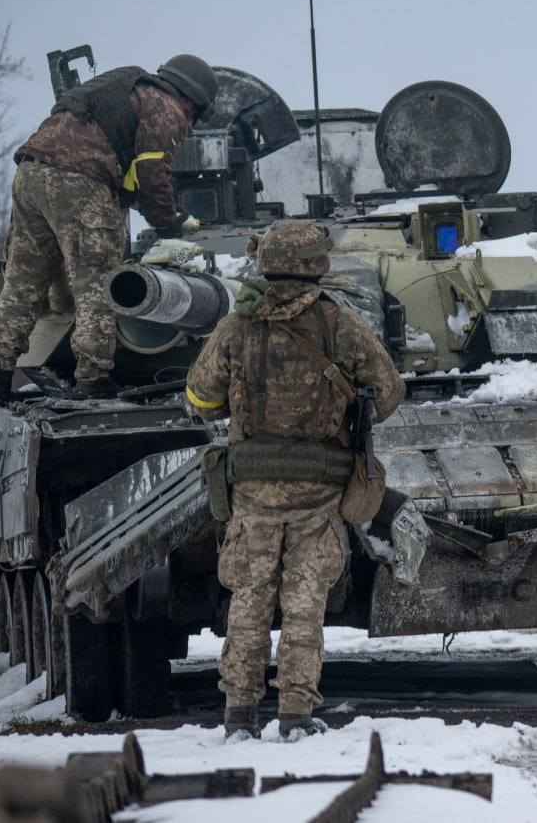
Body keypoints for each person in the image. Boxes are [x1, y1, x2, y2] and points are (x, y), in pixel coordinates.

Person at [185, 220, 404, 740]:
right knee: (304, 606)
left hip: (253, 490)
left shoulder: (235, 327)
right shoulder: (339, 322)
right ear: (316, 264)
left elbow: (200, 398)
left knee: (250, 600)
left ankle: (239, 713)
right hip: (319, 489)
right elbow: (390, 393)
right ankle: (295, 715)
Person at [0, 54, 219, 404]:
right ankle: (92, 378)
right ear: (189, 99)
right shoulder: (165, 105)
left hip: (30, 174)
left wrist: (138, 202)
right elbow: (153, 173)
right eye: (193, 115)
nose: (188, 121)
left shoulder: (125, 89)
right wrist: (170, 220)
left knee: (22, 283)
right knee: (96, 282)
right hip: (78, 181)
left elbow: (124, 176)